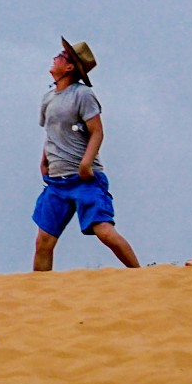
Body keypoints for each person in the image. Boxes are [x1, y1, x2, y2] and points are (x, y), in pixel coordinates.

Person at [33, 38, 140, 271]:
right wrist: (44, 159)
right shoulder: (48, 98)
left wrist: (86, 163)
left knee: (104, 230)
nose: (56, 57)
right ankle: (38, 294)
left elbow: (97, 131)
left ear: (70, 67)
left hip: (84, 179)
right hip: (57, 182)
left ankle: (139, 274)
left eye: (62, 56)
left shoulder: (82, 95)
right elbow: (51, 133)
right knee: (44, 241)